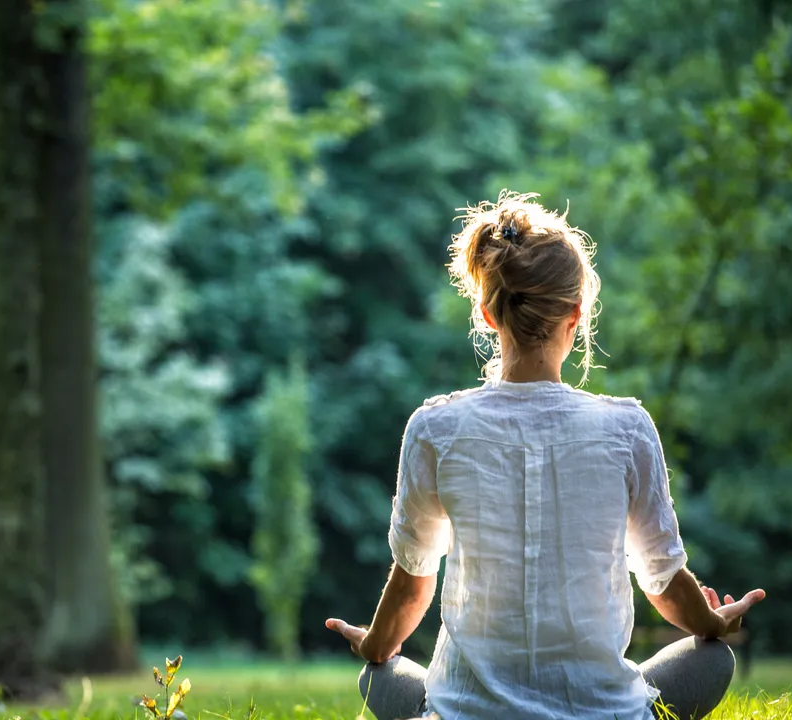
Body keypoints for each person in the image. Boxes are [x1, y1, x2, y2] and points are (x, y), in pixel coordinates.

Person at [323, 191, 766, 720]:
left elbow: (414, 582)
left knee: (378, 674)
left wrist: (373, 644)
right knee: (714, 660)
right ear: (576, 313)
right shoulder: (627, 428)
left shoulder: (435, 429)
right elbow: (665, 582)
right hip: (603, 713)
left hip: (469, 712)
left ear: (488, 315)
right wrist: (714, 623)